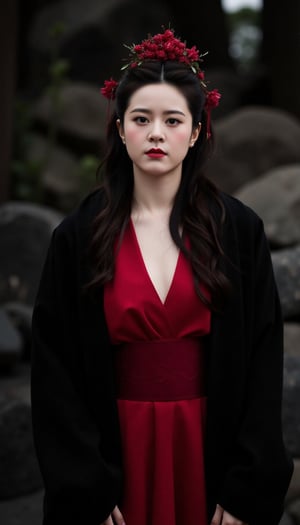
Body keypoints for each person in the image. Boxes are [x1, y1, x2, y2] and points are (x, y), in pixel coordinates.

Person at [31, 27, 293, 525]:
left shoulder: (237, 231)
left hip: (206, 446)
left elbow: (262, 358)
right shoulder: (78, 236)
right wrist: (84, 486)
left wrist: (246, 485)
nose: (156, 133)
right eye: (141, 119)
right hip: (116, 450)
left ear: (196, 132)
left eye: (173, 120)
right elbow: (54, 370)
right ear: (121, 128)